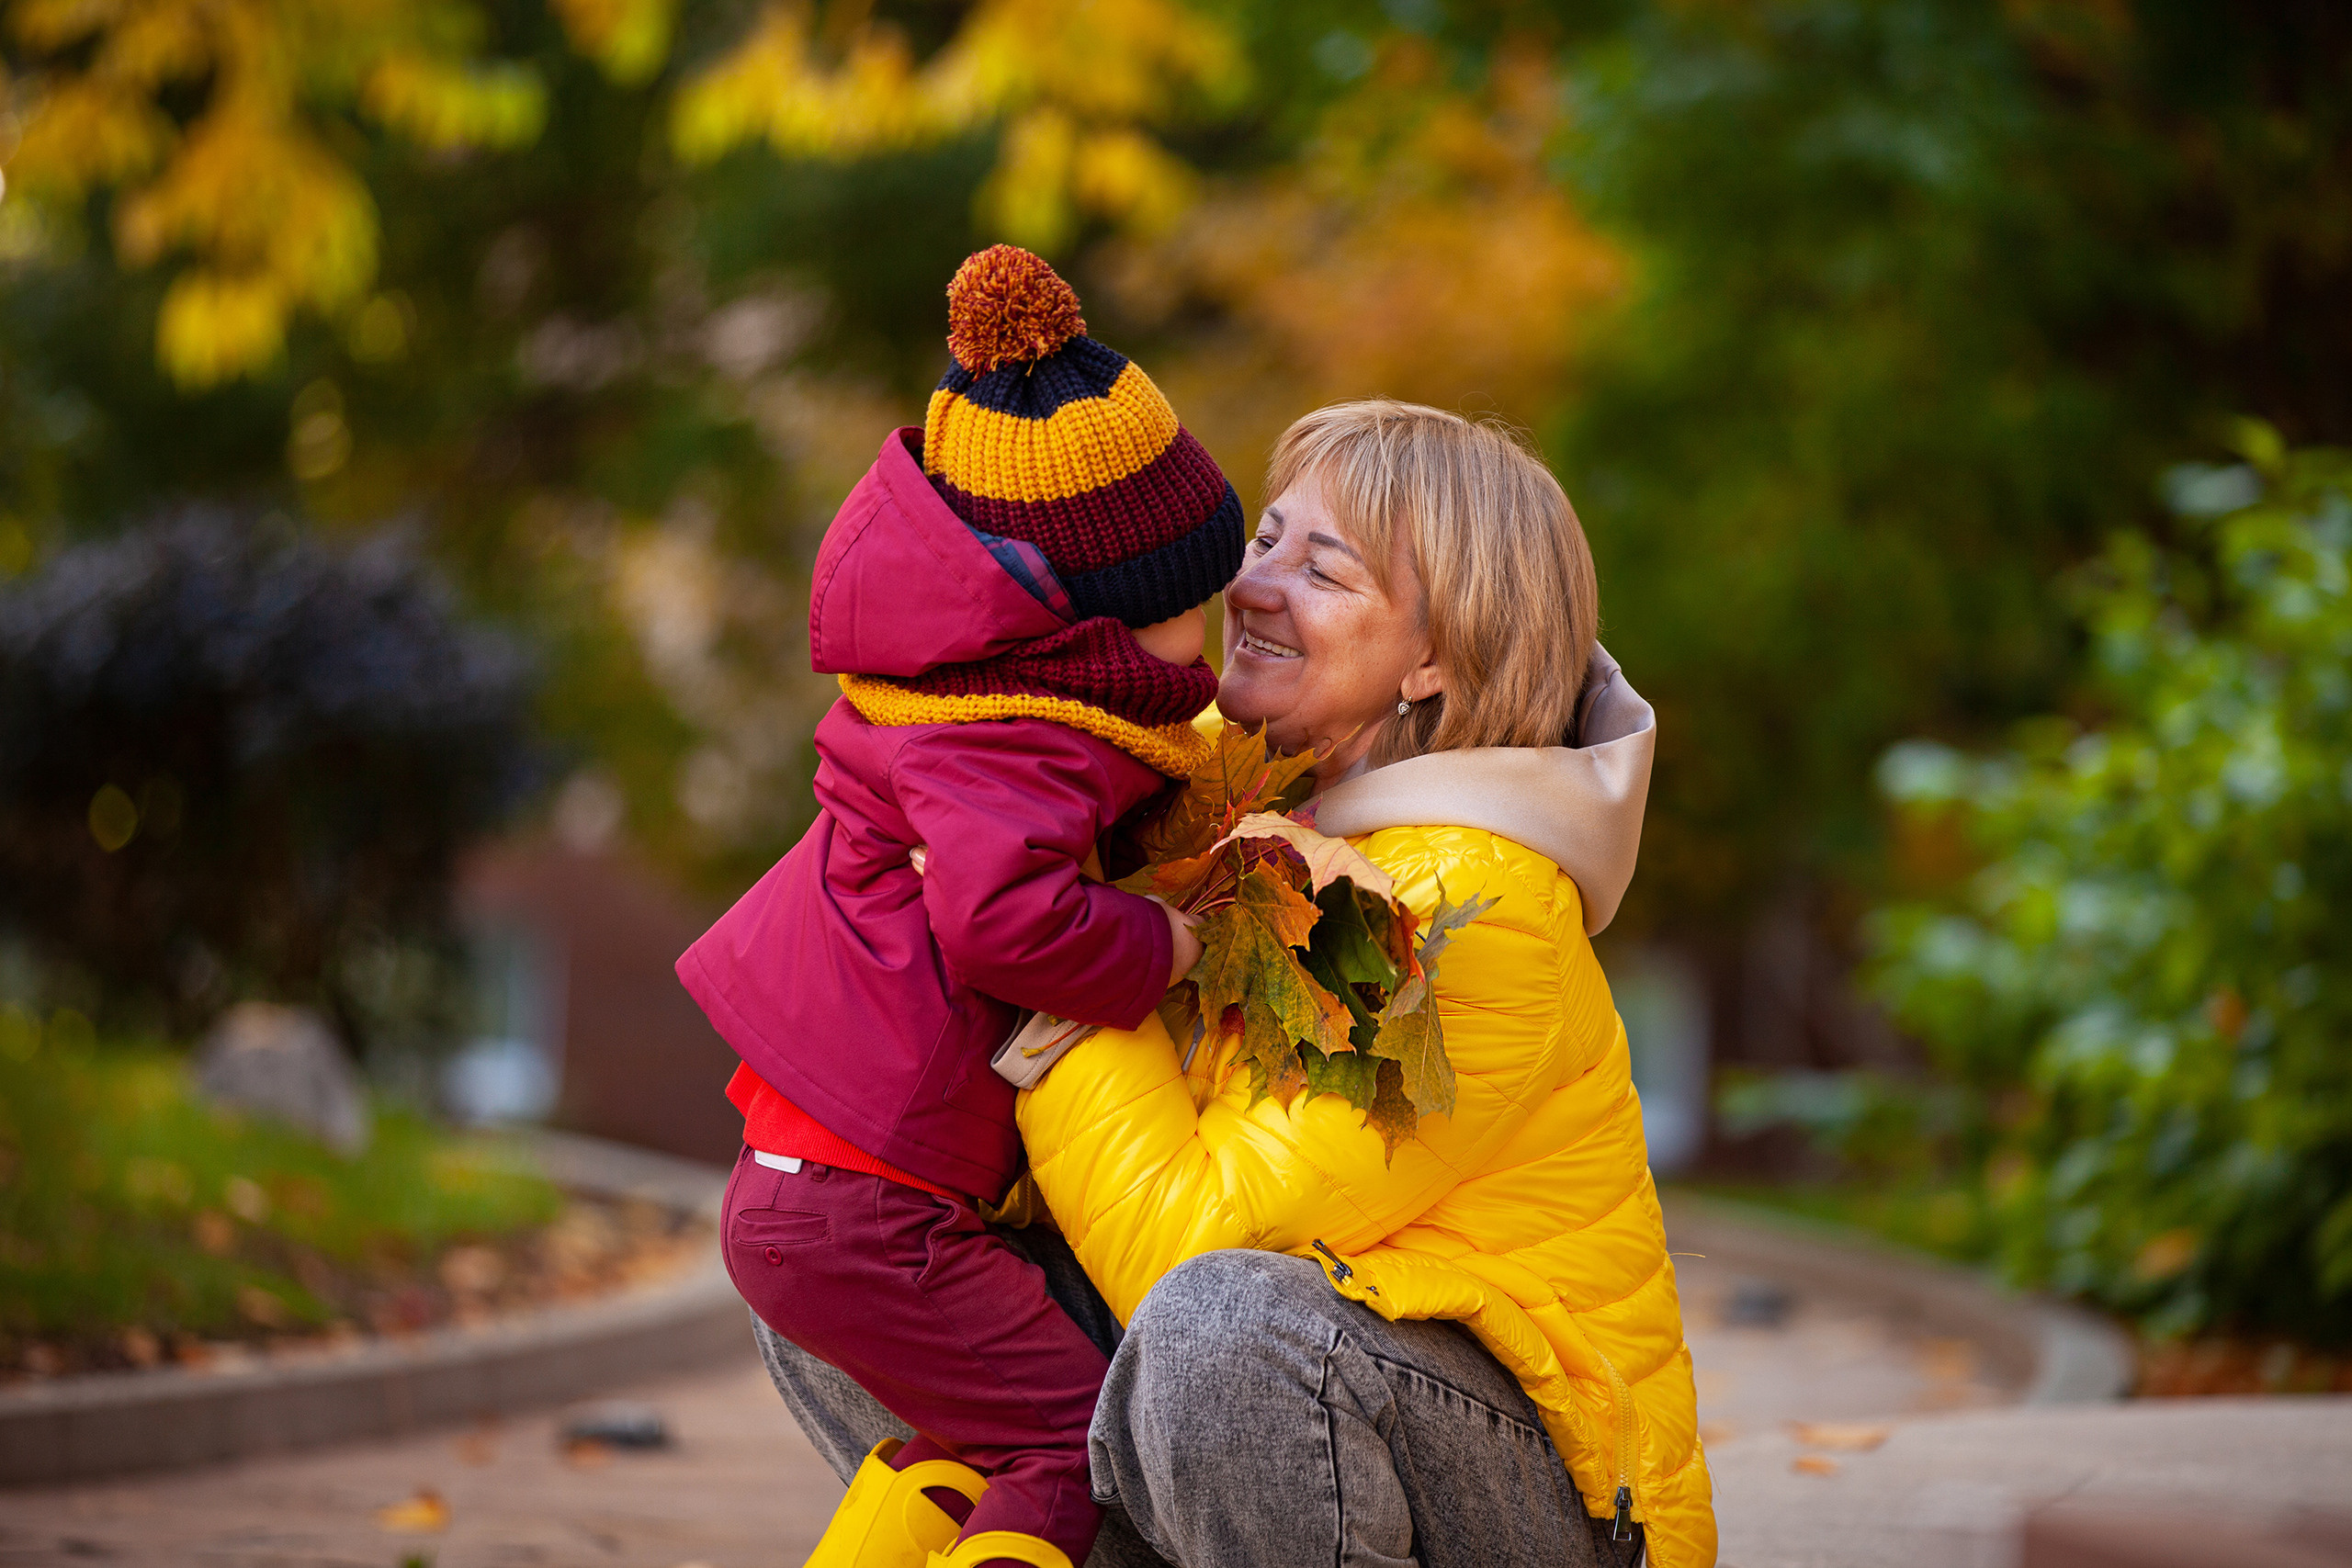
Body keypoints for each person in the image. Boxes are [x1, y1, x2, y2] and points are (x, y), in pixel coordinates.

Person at [750, 400, 1715, 1568]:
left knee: (1227, 1326)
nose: (1255, 586)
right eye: (1266, 540)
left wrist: (1040, 966)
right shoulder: (1229, 805)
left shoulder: (1476, 910)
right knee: (837, 1247)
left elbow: (1188, 1245)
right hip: (1302, 1403)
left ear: (1435, 657)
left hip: (1541, 1497)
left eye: (1324, 569)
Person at [674, 245, 1244, 1568]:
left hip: (809, 1178)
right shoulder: (1016, 739)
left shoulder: (960, 698)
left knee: (974, 1451)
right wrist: (1166, 940)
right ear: (1094, 618)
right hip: (866, 1200)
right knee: (1066, 1448)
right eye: (1186, 603)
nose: (1205, 636)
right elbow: (1001, 923)